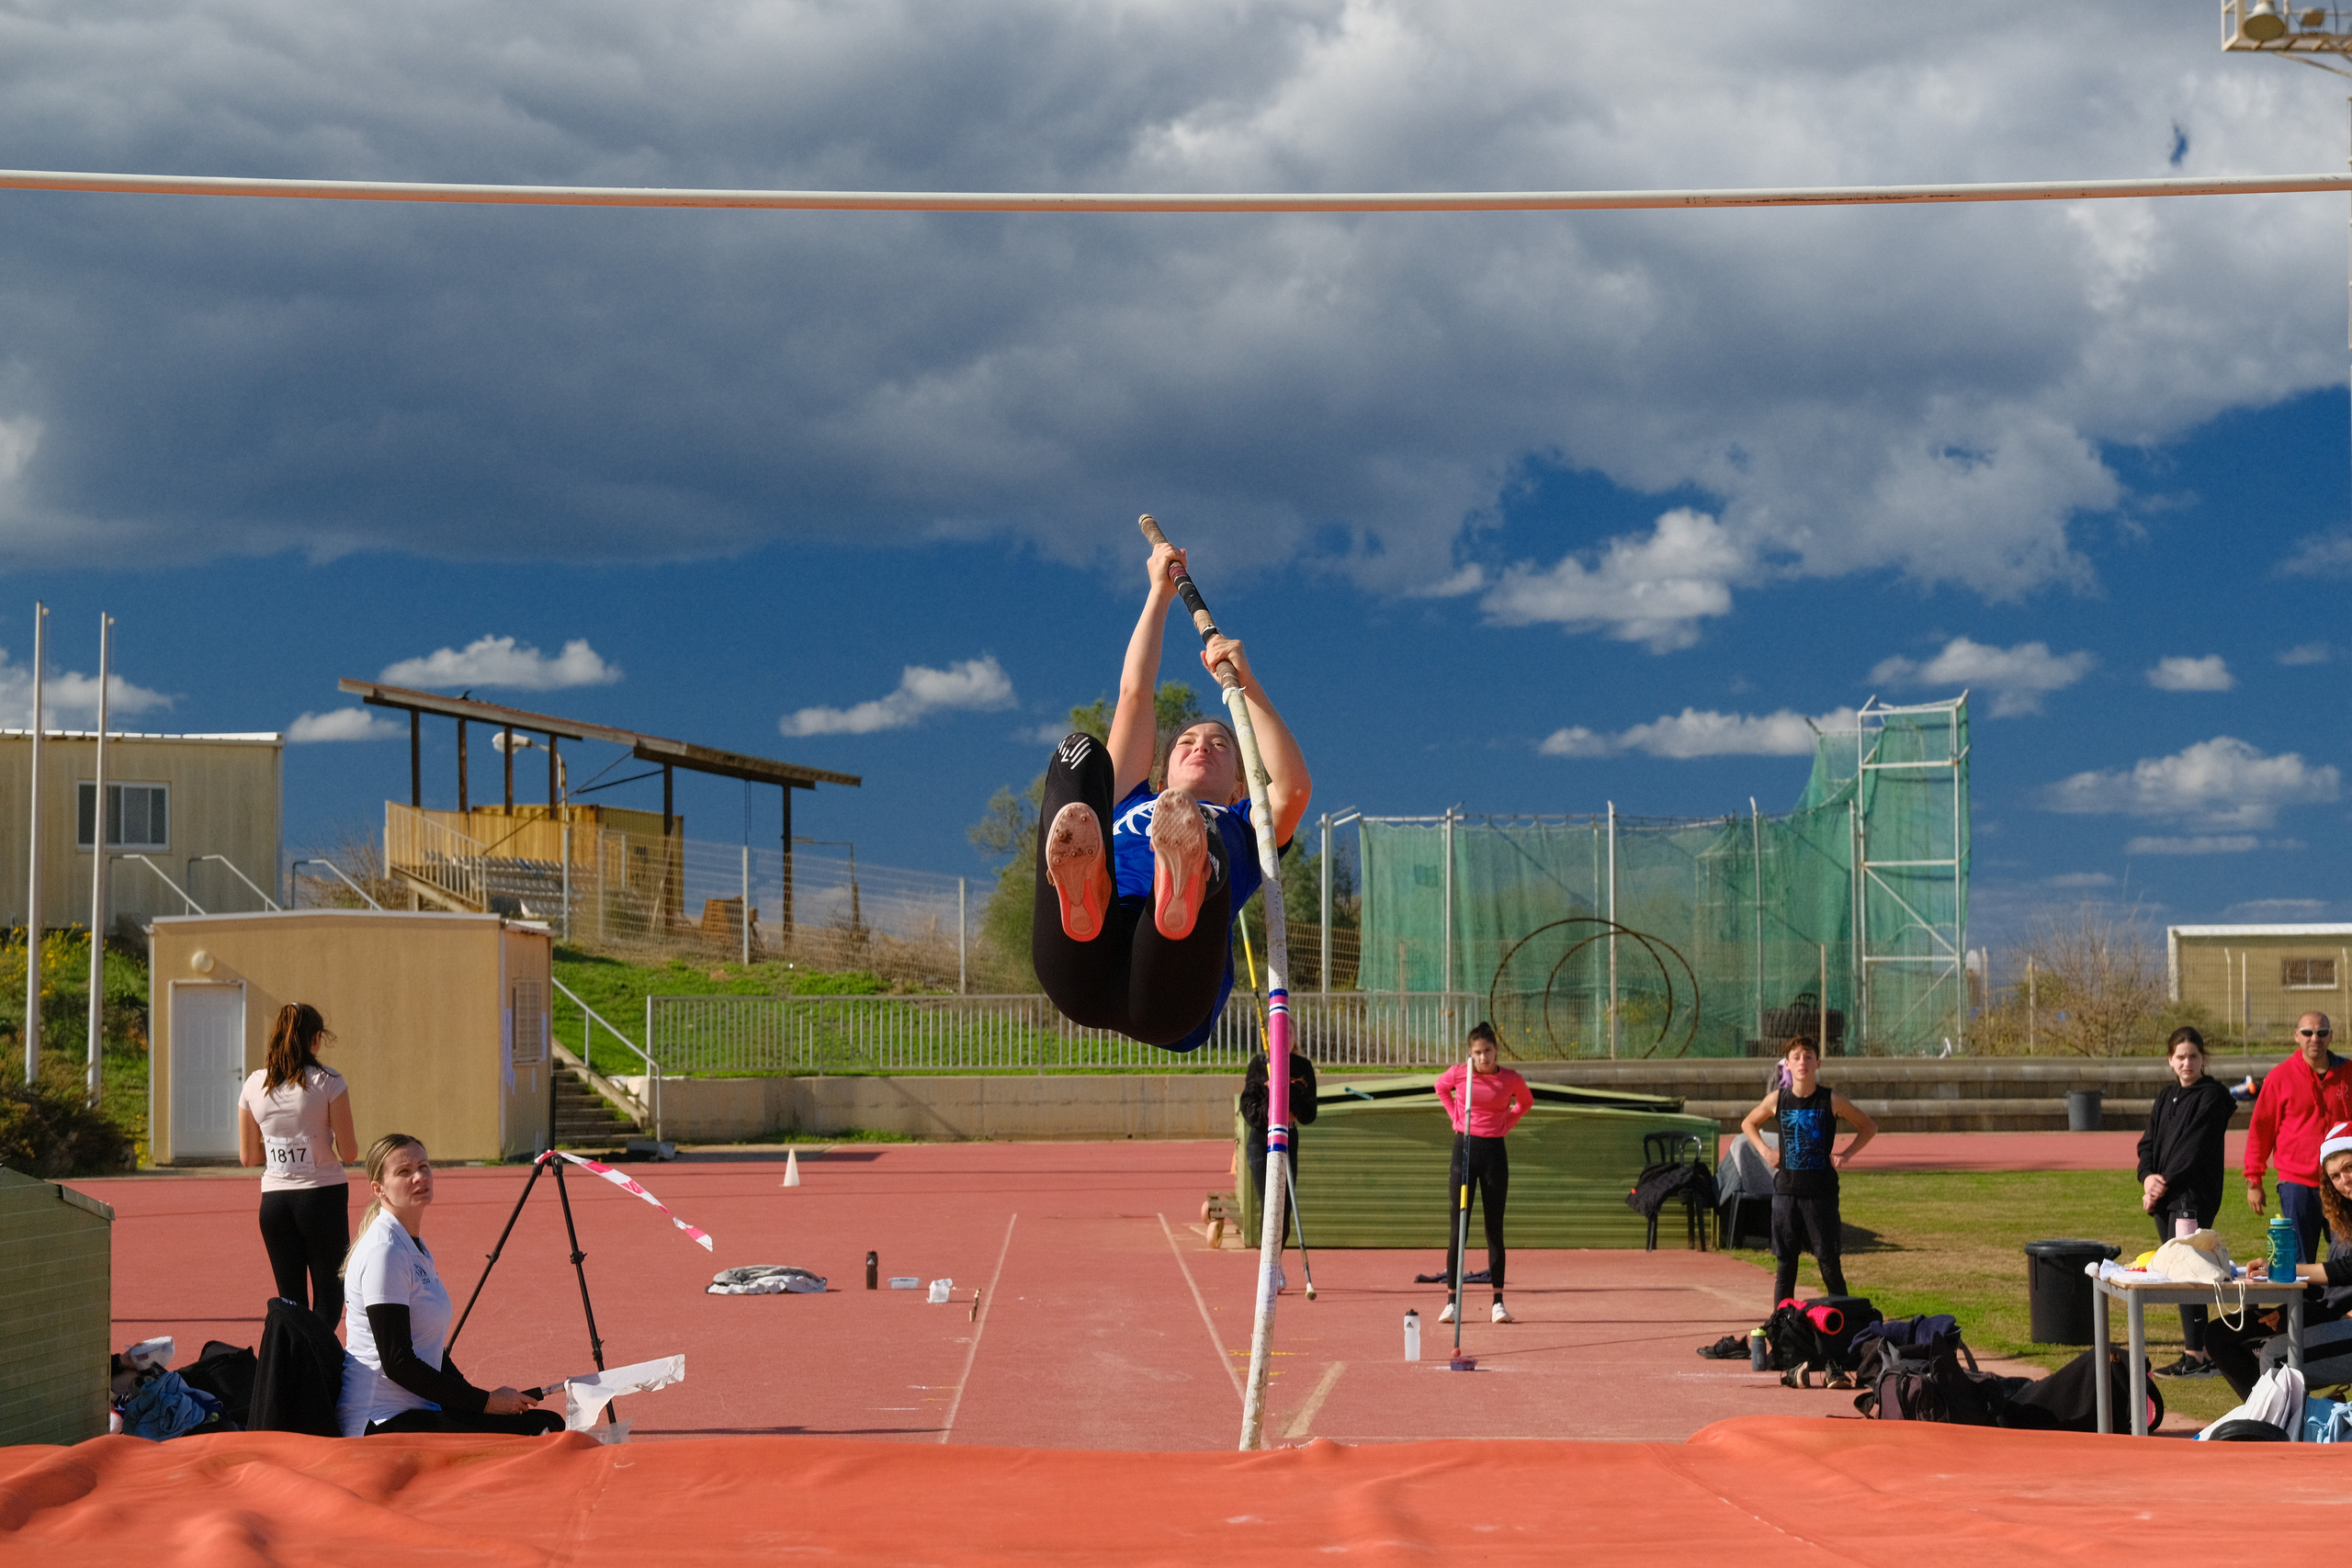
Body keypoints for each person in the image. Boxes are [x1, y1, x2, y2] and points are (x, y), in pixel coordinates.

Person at [1032, 538, 1311, 1049]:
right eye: (1186, 741)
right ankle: (1086, 895)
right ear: (1159, 778)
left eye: (1220, 743)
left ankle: (1178, 896)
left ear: (1240, 785)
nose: (1201, 745)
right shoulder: (1127, 801)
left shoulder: (1245, 826)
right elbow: (1135, 692)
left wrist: (1246, 685)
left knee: (1208, 841)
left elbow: (1291, 789)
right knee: (1079, 754)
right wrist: (1158, 592)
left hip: (1168, 996)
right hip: (1080, 965)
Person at [338, 1134, 563, 1438]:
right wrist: (484, 1403)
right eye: (404, 1172)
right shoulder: (384, 1251)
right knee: (541, 1430)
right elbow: (398, 1362)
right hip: (380, 1421)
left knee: (543, 1422)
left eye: (424, 1167)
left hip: (418, 1409)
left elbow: (430, 1349)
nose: (419, 1177)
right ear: (379, 1189)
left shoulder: (412, 1245)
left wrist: (481, 1401)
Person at [238, 1002, 359, 1327]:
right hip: (322, 1196)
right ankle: (318, 1368)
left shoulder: (253, 1084)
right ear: (316, 1038)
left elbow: (248, 1157)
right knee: (330, 1293)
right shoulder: (328, 1081)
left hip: (274, 1201)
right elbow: (349, 1151)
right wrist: (314, 1140)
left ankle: (294, 1370)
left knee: (290, 1300)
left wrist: (285, 1144)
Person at [2210, 1122, 2352, 1398]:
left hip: (2344, 1322)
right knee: (2220, 1335)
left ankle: (2281, 1431)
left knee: (2275, 1356)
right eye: (2334, 1176)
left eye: (2349, 1168)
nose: (2343, 1180)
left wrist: (2284, 1270)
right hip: (2329, 1313)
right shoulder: (2344, 1217)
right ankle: (2272, 1422)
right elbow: (2333, 1290)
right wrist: (2291, 1308)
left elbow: (2346, 1271)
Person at [1740, 1034, 1876, 1310]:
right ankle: (1781, 1329)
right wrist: (1766, 1152)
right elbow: (1748, 1124)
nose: (1803, 1062)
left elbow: (1868, 1126)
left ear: (1818, 1063)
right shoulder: (1778, 1099)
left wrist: (1847, 1153)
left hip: (1821, 1195)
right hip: (1786, 1195)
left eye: (1808, 1057)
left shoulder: (1831, 1100)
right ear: (1787, 1065)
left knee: (1829, 1264)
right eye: (1796, 1057)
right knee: (1785, 1267)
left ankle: (1845, 1329)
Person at [2136, 1026, 2235, 1378]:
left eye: (2193, 1056)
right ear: (2170, 1060)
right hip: (2165, 1196)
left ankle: (2198, 1352)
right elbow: (2148, 1143)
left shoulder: (2211, 1098)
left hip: (2191, 1197)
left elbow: (2192, 1151)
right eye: (2180, 1057)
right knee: (2177, 1270)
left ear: (2203, 1059)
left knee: (2189, 1270)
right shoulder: (2166, 1097)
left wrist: (2161, 1186)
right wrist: (2147, 1177)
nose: (2187, 1063)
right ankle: (2199, 1349)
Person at [1434, 1023, 1530, 1325]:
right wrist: (1454, 1116)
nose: (1483, 1057)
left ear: (1496, 1050)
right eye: (1476, 1052)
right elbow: (1440, 1087)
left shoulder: (1510, 1079)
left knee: (1494, 1228)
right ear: (1470, 1053)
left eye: (1487, 1051)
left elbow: (1525, 1103)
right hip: (1464, 1152)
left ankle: (1498, 1303)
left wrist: (1506, 1124)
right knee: (1458, 1228)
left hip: (1493, 1155)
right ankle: (1451, 1302)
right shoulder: (1461, 1074)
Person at [2245, 1010, 2352, 1269]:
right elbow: (2261, 1129)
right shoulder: (2281, 1077)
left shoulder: (2348, 1073)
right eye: (2307, 1032)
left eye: (2321, 1032)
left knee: (2346, 1257)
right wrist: (2254, 1179)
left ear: (2330, 1036)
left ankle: (2339, 1308)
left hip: (2342, 1182)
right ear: (2297, 1036)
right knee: (2298, 1262)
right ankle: (2301, 1311)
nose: (2315, 1038)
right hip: (2297, 1185)